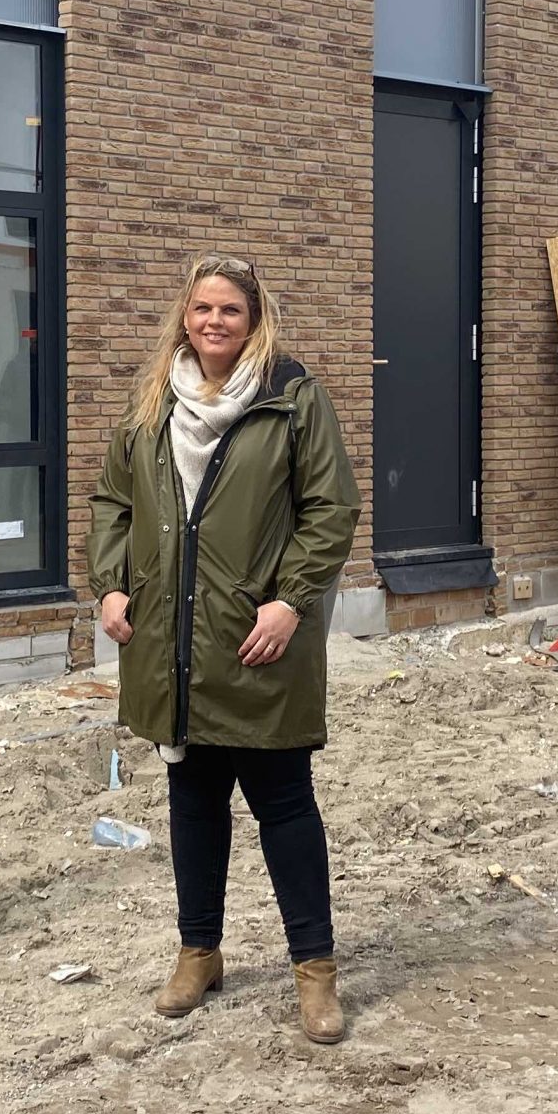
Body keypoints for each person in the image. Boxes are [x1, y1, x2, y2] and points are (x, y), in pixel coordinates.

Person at [88, 254, 361, 1042]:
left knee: (285, 807)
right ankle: (197, 952)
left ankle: (315, 972)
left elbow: (331, 509)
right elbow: (112, 501)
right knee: (194, 803)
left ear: (254, 318)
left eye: (230, 311)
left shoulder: (293, 399)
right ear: (186, 315)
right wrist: (110, 584)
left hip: (255, 642)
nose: (214, 323)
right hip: (170, 645)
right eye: (202, 309)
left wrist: (289, 603)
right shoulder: (151, 404)